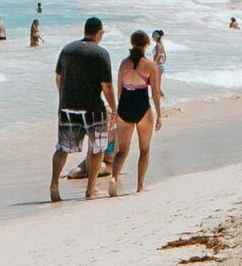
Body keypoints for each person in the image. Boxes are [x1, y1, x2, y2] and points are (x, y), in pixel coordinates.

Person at [50, 16, 116, 202]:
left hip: (67, 108)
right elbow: (106, 86)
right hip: (93, 109)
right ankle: (91, 189)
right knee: (97, 148)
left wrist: (64, 98)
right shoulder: (101, 53)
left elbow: (58, 78)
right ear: (99, 33)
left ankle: (54, 184)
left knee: (62, 148)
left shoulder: (67, 50)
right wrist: (114, 108)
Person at [114, 30, 164, 191]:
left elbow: (119, 90)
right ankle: (140, 185)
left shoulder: (124, 63)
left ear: (131, 43)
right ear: (147, 44)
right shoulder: (151, 65)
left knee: (122, 150)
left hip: (124, 107)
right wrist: (159, 115)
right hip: (142, 107)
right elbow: (155, 92)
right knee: (144, 149)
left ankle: (113, 179)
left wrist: (117, 111)